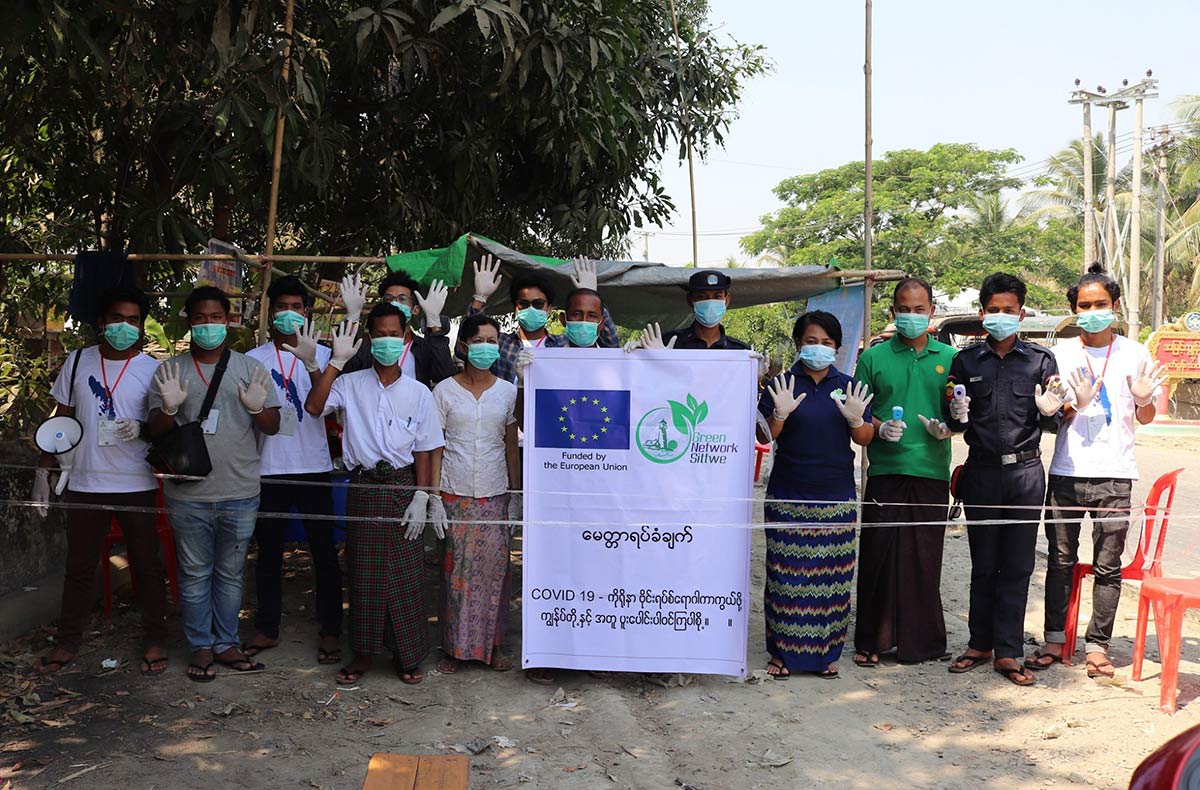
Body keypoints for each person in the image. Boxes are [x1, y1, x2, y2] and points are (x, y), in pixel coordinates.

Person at [1029, 264, 1167, 678]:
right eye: (1085, 305)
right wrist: (1070, 406)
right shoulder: (1060, 354)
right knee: (1060, 559)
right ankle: (1056, 639)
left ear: (1116, 306)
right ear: (1073, 310)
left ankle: (1098, 647)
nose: (1093, 311)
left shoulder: (1135, 353)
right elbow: (1054, 414)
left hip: (1115, 474)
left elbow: (1143, 416)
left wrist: (1143, 400)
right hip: (1067, 472)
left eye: (1101, 304)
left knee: (1108, 566)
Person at [304, 304, 445, 685]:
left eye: (393, 334)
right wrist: (335, 361)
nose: (386, 341)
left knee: (406, 573)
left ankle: (407, 654)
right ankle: (363, 653)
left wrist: (424, 496)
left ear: (404, 339)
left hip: (403, 487)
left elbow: (426, 449)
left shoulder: (419, 393)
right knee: (364, 572)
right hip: (364, 486)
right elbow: (315, 406)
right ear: (368, 338)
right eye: (378, 334)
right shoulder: (349, 383)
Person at [31, 287, 169, 677]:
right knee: (78, 565)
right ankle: (68, 640)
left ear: (141, 326)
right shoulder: (77, 362)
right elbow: (62, 418)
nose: (124, 327)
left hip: (135, 480)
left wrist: (143, 427)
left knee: (146, 563)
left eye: (132, 320)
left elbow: (163, 425)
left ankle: (155, 637)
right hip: (85, 479)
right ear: (100, 323)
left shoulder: (152, 368)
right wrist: (44, 469)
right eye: (116, 319)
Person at [146, 286, 281, 682]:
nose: (209, 325)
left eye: (216, 318)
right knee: (193, 572)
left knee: (231, 571)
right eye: (201, 318)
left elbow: (272, 425)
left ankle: (226, 643)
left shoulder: (251, 369)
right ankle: (200, 646)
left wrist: (257, 408)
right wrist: (169, 407)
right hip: (188, 491)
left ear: (229, 321)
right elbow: (155, 430)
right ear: (189, 320)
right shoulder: (170, 370)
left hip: (240, 488)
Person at [944, 273, 1060, 687]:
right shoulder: (966, 361)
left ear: (1021, 314)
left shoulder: (1040, 360)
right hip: (982, 470)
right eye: (994, 310)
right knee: (983, 563)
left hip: (1026, 472)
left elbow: (1055, 419)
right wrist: (954, 417)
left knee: (1018, 564)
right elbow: (953, 417)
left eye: (1009, 311)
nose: (1001, 317)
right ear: (982, 313)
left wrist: (1050, 409)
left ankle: (1009, 652)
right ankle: (979, 643)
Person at [756, 311, 874, 679]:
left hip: (836, 496)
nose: (819, 348)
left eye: (826, 342)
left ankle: (826, 654)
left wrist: (857, 420)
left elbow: (864, 438)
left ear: (837, 347)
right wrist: (779, 414)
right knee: (786, 576)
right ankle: (782, 655)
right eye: (811, 341)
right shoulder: (781, 385)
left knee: (831, 578)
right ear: (798, 344)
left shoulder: (848, 386)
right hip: (789, 494)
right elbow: (764, 438)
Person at [852, 277, 955, 667]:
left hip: (931, 471)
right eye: (903, 309)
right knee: (880, 555)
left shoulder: (950, 357)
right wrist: (878, 427)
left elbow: (959, 409)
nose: (911, 316)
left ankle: (922, 642)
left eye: (919, 309)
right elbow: (858, 415)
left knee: (924, 557)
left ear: (931, 311)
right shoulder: (873, 359)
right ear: (892, 312)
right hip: (885, 469)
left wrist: (950, 425)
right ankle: (872, 641)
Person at [242, 275, 343, 665]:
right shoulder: (254, 360)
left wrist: (316, 362)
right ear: (270, 313)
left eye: (296, 307)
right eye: (280, 307)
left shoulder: (324, 355)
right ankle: (267, 628)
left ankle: (331, 630)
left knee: (324, 553)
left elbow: (327, 406)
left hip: (314, 467)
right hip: (267, 468)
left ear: (307, 311)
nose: (288, 314)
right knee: (267, 553)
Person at [428, 313, 521, 673]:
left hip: (495, 493)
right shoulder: (444, 391)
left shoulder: (508, 392)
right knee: (456, 574)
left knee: (495, 575)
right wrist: (433, 495)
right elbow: (436, 445)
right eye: (479, 340)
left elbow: (510, 445)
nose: (486, 347)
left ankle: (492, 647)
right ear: (463, 346)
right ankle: (454, 649)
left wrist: (516, 493)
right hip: (455, 493)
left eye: (492, 341)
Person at [466, 254, 620, 382]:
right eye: (523, 304)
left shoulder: (565, 344)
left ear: (549, 309)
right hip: (512, 417)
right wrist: (480, 298)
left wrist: (589, 294)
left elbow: (611, 348)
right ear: (515, 309)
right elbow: (470, 338)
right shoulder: (501, 344)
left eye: (538, 303)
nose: (531, 308)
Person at [338, 269, 456, 388]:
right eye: (388, 299)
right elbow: (342, 370)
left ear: (415, 309)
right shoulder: (369, 344)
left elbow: (444, 376)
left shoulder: (423, 347)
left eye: (402, 299)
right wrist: (352, 316)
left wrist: (434, 322)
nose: (394, 303)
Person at [656, 269, 752, 350]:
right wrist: (652, 358)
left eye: (717, 296)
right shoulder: (667, 344)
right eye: (702, 297)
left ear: (727, 300)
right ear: (690, 300)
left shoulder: (740, 351)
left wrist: (757, 371)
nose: (710, 303)